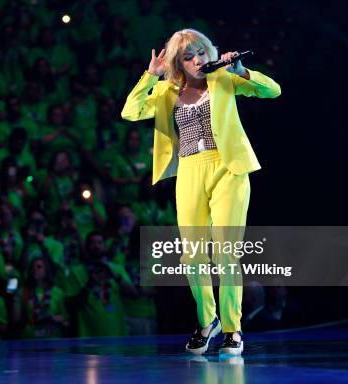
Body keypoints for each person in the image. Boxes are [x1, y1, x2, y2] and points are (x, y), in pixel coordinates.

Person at [121, 28, 281, 355]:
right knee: (192, 255)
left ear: (209, 53)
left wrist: (241, 71)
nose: (197, 60)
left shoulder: (223, 79)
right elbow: (130, 111)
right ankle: (207, 321)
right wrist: (150, 76)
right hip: (190, 170)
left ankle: (233, 329)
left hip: (228, 168)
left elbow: (272, 91)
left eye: (201, 52)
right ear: (179, 62)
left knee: (225, 251)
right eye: (188, 56)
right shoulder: (167, 91)